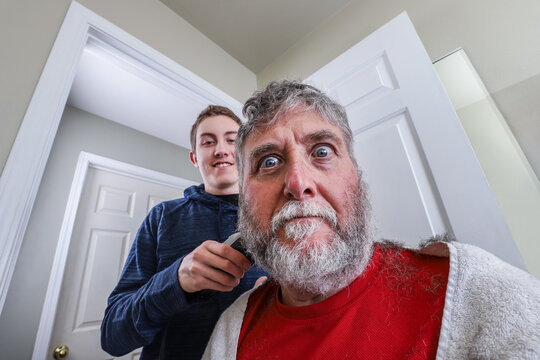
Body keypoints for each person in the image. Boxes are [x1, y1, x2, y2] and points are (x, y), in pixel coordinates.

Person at [203, 80, 540, 359]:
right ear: (243, 199)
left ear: (357, 177)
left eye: (322, 151)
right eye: (269, 162)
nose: (298, 182)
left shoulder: (473, 289)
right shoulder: (232, 328)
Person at [101, 105, 266, 360]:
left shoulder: (275, 216)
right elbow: (112, 336)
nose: (221, 149)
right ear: (194, 158)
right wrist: (175, 282)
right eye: (208, 142)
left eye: (231, 140)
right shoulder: (161, 217)